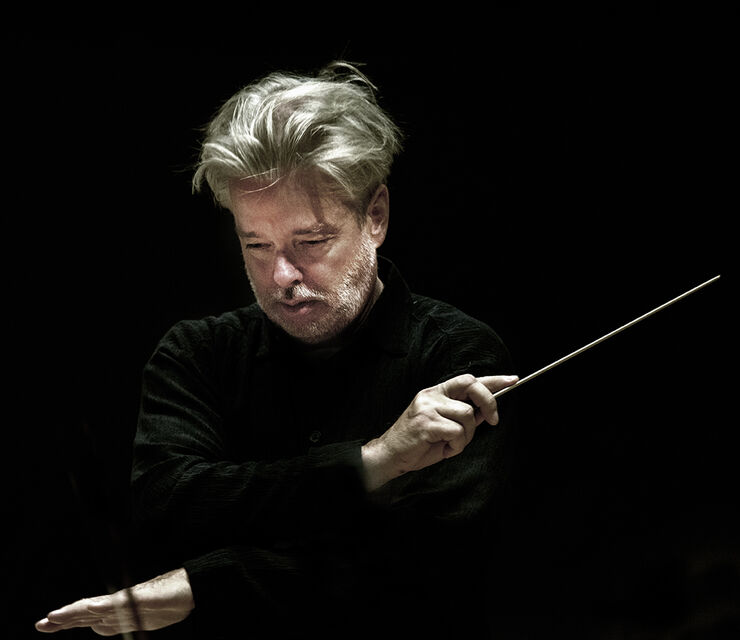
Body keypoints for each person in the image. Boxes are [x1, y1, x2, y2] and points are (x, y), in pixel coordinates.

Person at [35, 61, 518, 638]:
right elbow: (167, 515)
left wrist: (200, 587)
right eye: (257, 245)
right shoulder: (194, 355)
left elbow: (423, 573)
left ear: (376, 216)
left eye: (310, 241)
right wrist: (374, 462)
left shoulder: (457, 354)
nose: (282, 275)